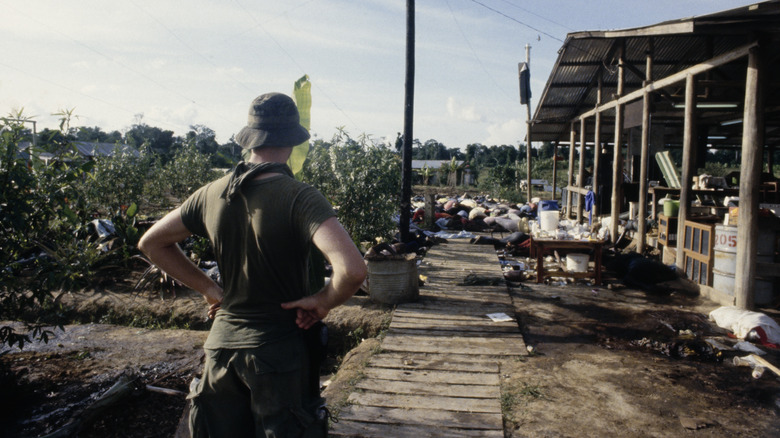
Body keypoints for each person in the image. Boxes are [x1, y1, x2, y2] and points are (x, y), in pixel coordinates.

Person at [138, 92, 367, 437]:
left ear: (249, 139)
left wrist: (211, 290)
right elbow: (352, 270)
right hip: (278, 353)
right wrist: (323, 301)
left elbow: (151, 243)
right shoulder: (299, 197)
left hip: (220, 350)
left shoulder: (210, 194)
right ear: (292, 141)